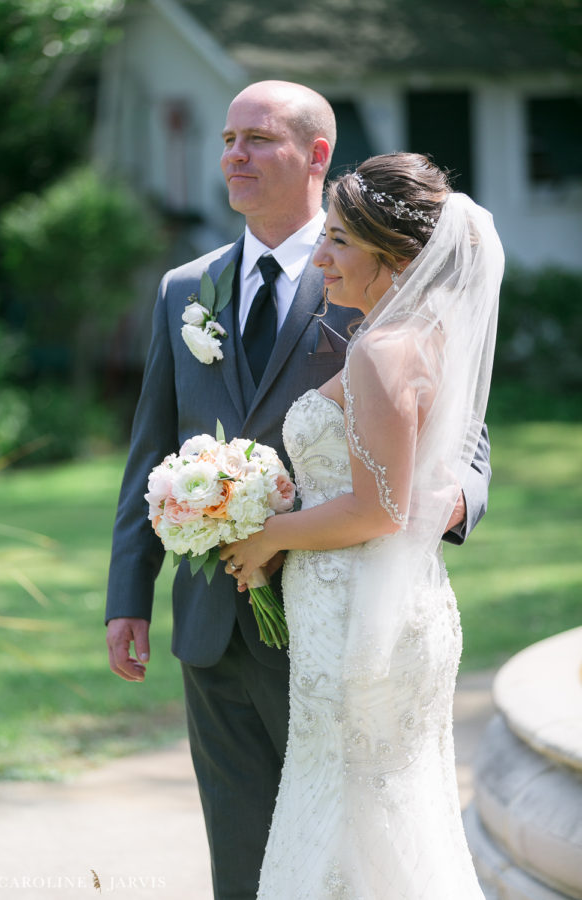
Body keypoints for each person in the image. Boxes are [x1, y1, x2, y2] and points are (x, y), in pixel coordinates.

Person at [105, 81, 491, 900]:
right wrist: (126, 595)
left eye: (258, 139)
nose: (234, 156)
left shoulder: (376, 273)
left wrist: (442, 512)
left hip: (339, 620)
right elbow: (151, 448)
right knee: (247, 857)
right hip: (212, 618)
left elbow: (460, 435)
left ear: (317, 155)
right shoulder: (186, 290)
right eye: (227, 138)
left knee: (345, 847)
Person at [220, 153, 503, 898]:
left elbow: (381, 510)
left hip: (358, 618)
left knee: (350, 806)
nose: (321, 257)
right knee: (386, 808)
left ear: (396, 255)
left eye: (339, 241)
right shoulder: (428, 340)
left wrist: (268, 537)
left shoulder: (381, 350)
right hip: (394, 604)